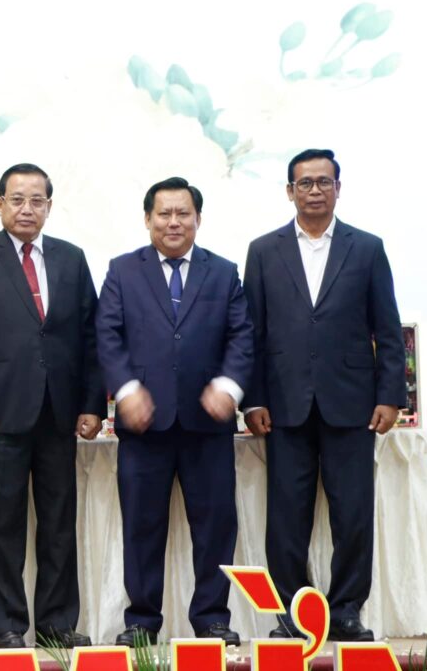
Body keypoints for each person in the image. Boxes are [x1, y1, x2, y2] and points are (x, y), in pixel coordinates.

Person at [243, 149, 405, 642]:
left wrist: (390, 394)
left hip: (352, 403)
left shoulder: (367, 248)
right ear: (289, 191)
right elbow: (252, 332)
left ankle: (347, 610)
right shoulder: (263, 250)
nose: (314, 190)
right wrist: (253, 400)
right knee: (286, 518)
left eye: (323, 182)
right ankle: (292, 614)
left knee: (352, 513)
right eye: (305, 183)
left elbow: (387, 328)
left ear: (338, 188)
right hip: (284, 405)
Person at [0, 163, 106, 649]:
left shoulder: (71, 258)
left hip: (59, 413)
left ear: (49, 207)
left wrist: (92, 404)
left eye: (37, 200)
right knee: (2, 526)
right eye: (17, 199)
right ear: (0, 205)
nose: (26, 209)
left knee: (58, 525)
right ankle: (8, 625)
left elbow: (90, 336)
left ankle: (57, 623)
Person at [96, 177, 253, 647]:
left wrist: (228, 387)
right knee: (142, 527)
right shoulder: (123, 270)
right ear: (148, 219)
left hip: (208, 424)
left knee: (215, 526)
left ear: (198, 219)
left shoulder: (223, 272)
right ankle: (142, 621)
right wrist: (126, 390)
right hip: (144, 426)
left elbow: (241, 336)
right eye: (163, 213)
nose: (173, 222)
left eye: (183, 213)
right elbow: (107, 334)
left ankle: (212, 618)